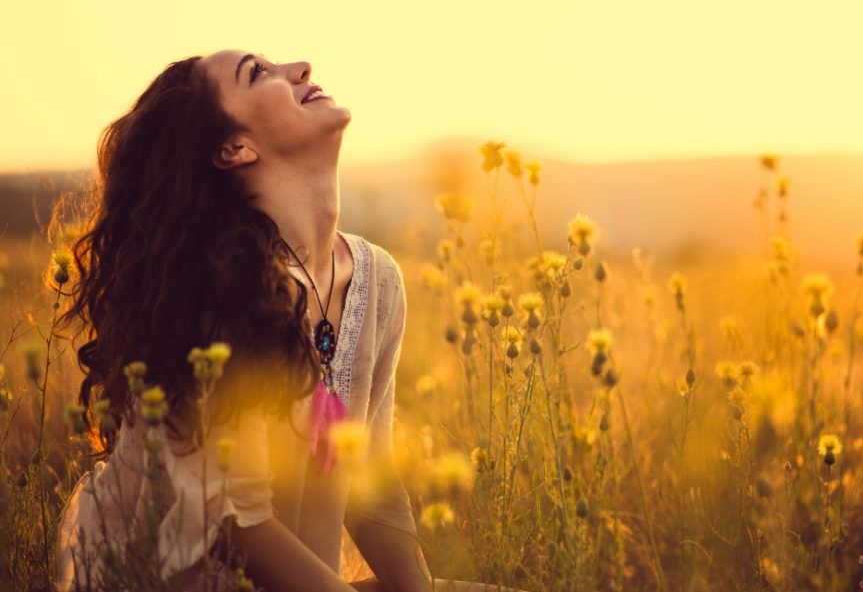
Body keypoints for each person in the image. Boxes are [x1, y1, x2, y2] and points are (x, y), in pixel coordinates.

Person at [53, 50, 528, 592]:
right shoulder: (217, 287)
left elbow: (372, 484)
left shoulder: (377, 279)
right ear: (235, 149)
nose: (300, 67)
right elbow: (239, 524)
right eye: (258, 73)